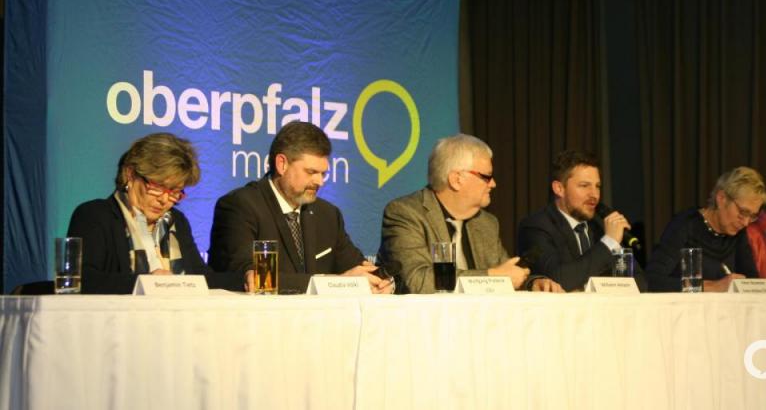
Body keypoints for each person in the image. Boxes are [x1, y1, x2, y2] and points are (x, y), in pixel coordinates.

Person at [208, 121, 391, 294]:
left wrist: (379, 281)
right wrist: (336, 282)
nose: (320, 181)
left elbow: (356, 267)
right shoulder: (240, 206)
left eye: (323, 173)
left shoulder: (328, 215)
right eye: (311, 172)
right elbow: (254, 279)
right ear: (282, 164)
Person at [378, 134, 563, 293]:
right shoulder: (406, 213)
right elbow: (417, 281)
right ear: (456, 179)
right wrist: (492, 276)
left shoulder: (486, 223)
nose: (493, 184)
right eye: (486, 177)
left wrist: (533, 283)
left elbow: (508, 271)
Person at [67, 133, 244, 293]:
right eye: (158, 187)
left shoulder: (176, 221)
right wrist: (147, 283)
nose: (164, 200)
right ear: (130, 174)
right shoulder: (95, 216)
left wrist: (247, 279)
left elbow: (201, 279)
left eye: (175, 192)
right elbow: (83, 280)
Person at [517, 150, 643, 291]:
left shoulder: (600, 226)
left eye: (597, 186)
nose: (594, 194)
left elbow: (640, 282)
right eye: (584, 186)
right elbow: (557, 279)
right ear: (559, 188)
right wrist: (608, 243)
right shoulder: (536, 227)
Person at [646, 166, 765, 292]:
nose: (746, 222)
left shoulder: (738, 232)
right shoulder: (686, 225)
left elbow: (751, 281)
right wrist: (712, 286)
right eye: (743, 211)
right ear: (721, 198)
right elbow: (652, 281)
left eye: (752, 216)